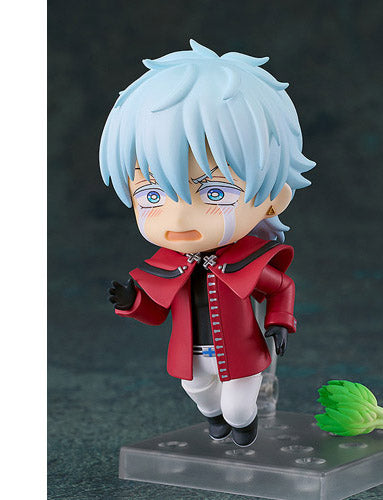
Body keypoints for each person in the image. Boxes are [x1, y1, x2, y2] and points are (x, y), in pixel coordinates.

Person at [100, 40, 315, 446]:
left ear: (274, 198)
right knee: (197, 390)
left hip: (241, 351)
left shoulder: (247, 261)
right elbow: (157, 311)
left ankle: (242, 423)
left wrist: (279, 321)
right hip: (192, 354)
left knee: (238, 407)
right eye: (152, 194)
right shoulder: (167, 265)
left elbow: (281, 286)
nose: (179, 218)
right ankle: (213, 415)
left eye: (214, 192)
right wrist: (131, 301)